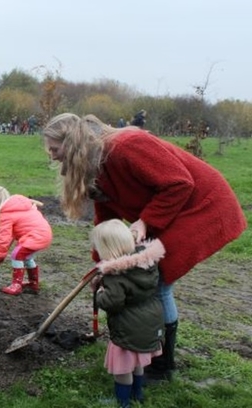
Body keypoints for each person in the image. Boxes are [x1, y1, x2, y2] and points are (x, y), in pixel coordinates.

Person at [42, 113, 247, 382]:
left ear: (72, 143)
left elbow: (179, 183)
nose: (52, 155)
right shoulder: (96, 163)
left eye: (54, 149)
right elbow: (107, 217)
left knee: (156, 279)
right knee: (146, 277)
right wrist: (101, 262)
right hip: (172, 211)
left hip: (202, 206)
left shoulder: (126, 147)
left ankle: (161, 365)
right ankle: (150, 352)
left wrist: (145, 221)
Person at [91, 219, 165, 407]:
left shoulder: (115, 275)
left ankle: (123, 402)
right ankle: (137, 395)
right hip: (150, 320)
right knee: (137, 362)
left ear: (107, 249)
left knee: (122, 369)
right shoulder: (146, 262)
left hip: (128, 326)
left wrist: (99, 293)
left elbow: (113, 303)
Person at [0, 186, 52, 295]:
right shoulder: (18, 206)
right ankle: (33, 284)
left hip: (35, 236)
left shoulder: (6, 214)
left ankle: (16, 285)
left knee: (16, 255)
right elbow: (10, 236)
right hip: (44, 234)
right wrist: (3, 252)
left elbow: (3, 237)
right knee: (27, 257)